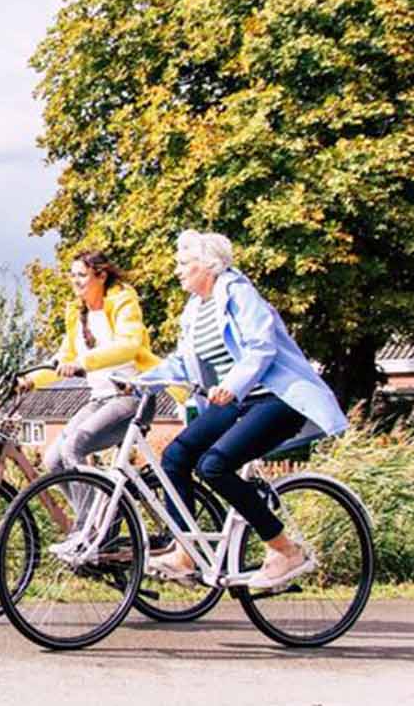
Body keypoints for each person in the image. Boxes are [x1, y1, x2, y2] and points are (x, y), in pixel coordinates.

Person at [140, 230, 347, 589]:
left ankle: (284, 550)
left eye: (184, 264)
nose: (178, 271)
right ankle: (186, 551)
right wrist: (137, 381)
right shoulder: (194, 310)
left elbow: (261, 347)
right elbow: (181, 364)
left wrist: (233, 383)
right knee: (175, 456)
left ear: (208, 266)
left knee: (214, 465)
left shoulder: (238, 292)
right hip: (236, 401)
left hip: (276, 398)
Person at [21, 250, 160, 532]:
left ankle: (89, 531)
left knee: (75, 446)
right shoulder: (77, 313)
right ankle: (96, 522)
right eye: (72, 275)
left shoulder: (123, 301)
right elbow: (63, 359)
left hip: (131, 397)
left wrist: (83, 362)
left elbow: (129, 345)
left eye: (81, 275)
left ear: (101, 275)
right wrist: (29, 381)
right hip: (99, 399)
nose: (75, 281)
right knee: (54, 459)